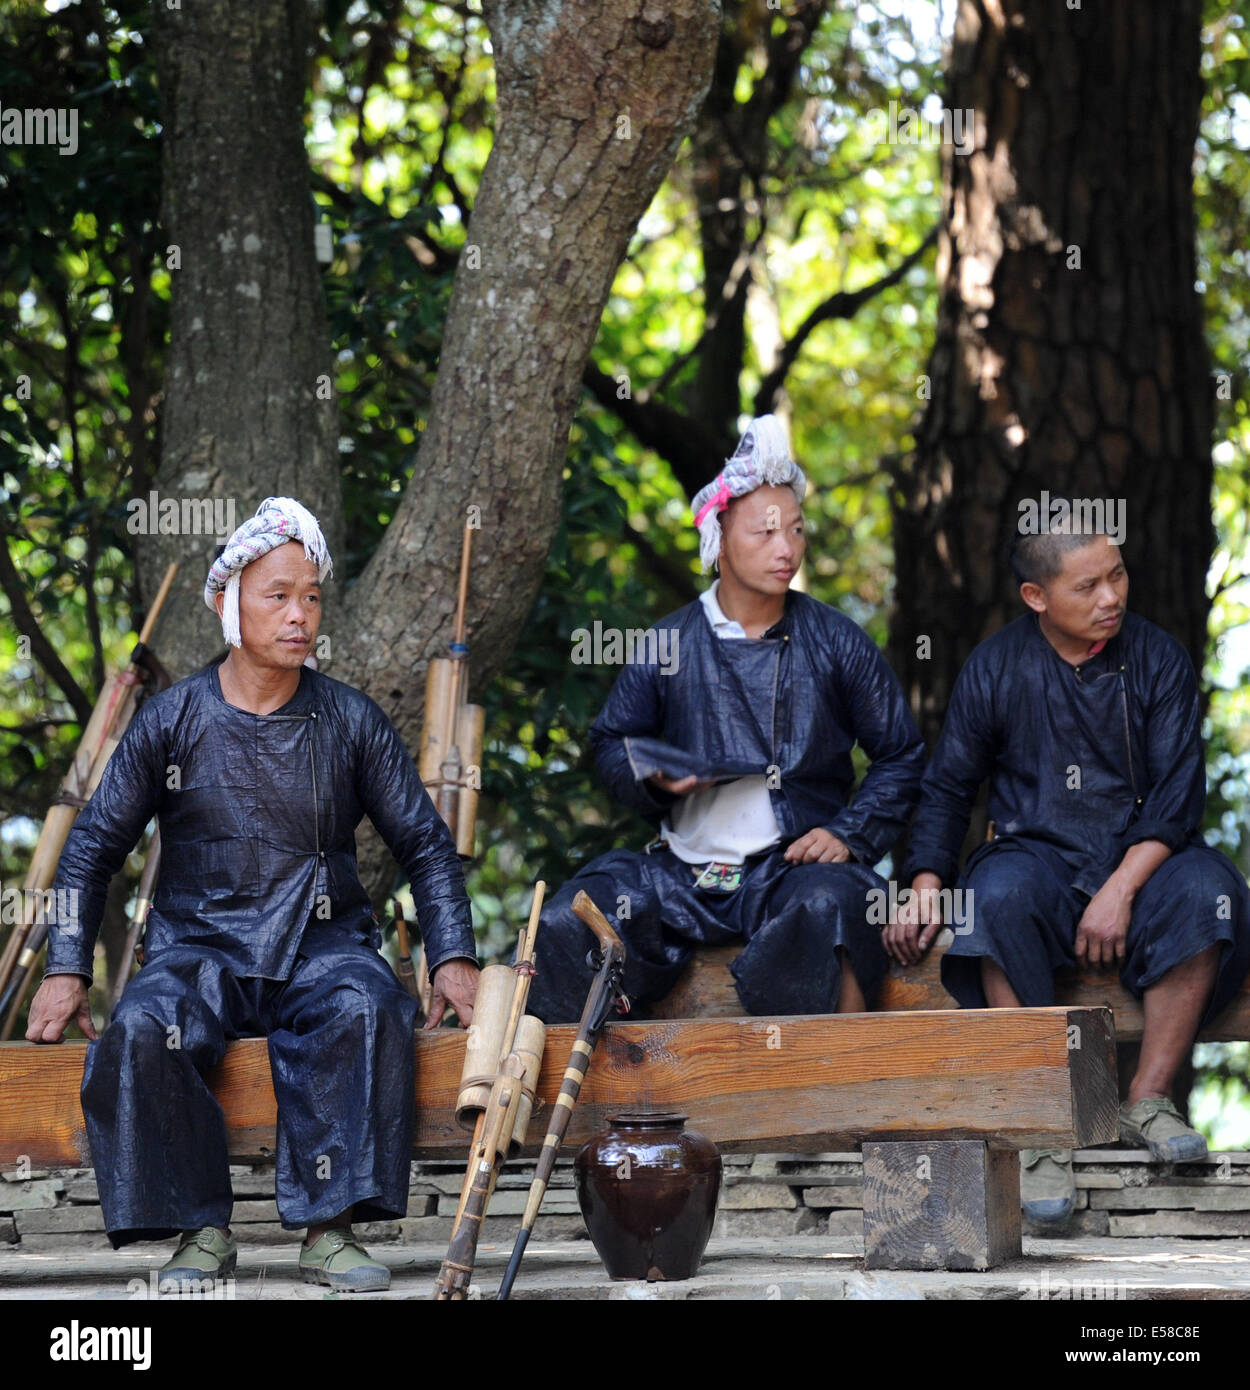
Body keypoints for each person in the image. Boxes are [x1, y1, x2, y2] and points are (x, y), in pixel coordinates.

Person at [27, 497, 480, 1292]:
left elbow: (427, 848)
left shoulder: (350, 721)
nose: (299, 614)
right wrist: (65, 965)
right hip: (197, 951)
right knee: (142, 1025)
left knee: (366, 1005)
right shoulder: (171, 720)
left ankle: (329, 1233)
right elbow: (91, 847)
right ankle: (202, 1234)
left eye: (310, 596)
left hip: (321, 947)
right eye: (278, 595)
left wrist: (453, 955)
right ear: (227, 604)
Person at [887, 512, 1250, 1226]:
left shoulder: (1158, 659)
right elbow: (949, 788)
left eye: (1117, 574)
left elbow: (1177, 799)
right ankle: (1043, 1121)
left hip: (1146, 861)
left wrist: (1119, 889)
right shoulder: (995, 666)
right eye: (1088, 585)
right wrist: (925, 881)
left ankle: (1148, 1100)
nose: (1112, 596)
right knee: (992, 896)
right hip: (1039, 858)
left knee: (1211, 893)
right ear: (1036, 598)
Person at [525, 416, 925, 1024]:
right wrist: (651, 773)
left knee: (834, 905)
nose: (786, 548)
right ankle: (591, 1102)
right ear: (718, 533)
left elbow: (900, 752)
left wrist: (849, 833)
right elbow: (610, 740)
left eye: (794, 529)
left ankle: (833, 1096)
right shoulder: (669, 640)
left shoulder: (837, 640)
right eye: (765, 532)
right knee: (572, 915)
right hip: (681, 872)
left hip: (788, 872)